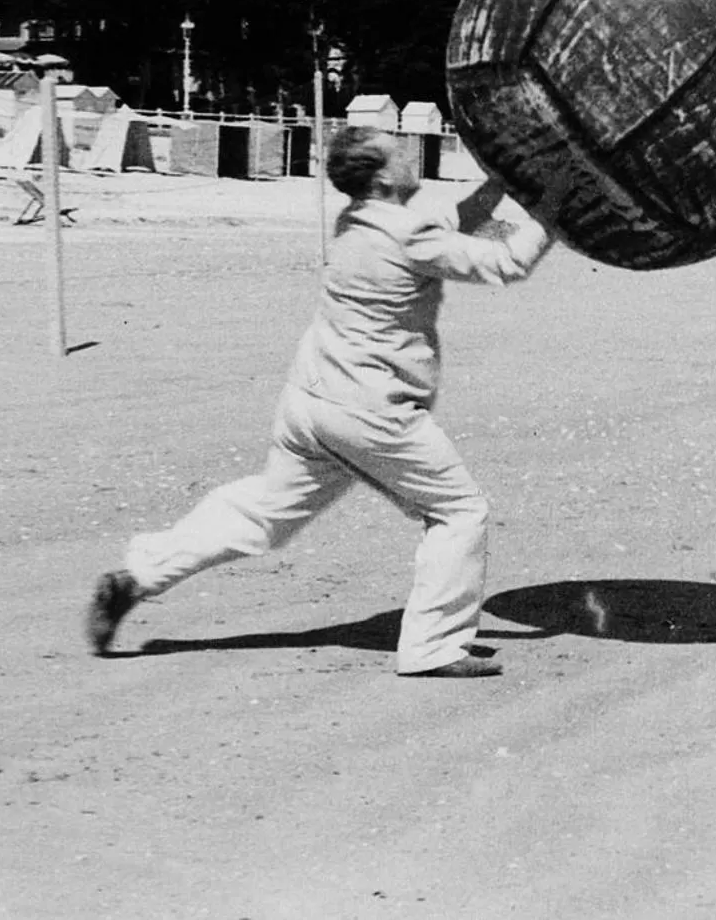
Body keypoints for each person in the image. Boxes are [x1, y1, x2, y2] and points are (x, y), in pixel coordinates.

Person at [84, 127, 560, 677]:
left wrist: (501, 182)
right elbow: (508, 263)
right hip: (371, 410)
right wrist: (556, 211)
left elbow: (456, 221)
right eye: (398, 151)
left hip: (311, 402)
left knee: (265, 512)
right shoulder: (407, 232)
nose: (410, 155)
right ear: (382, 175)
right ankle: (433, 648)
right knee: (459, 511)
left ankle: (137, 576)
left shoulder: (357, 221)